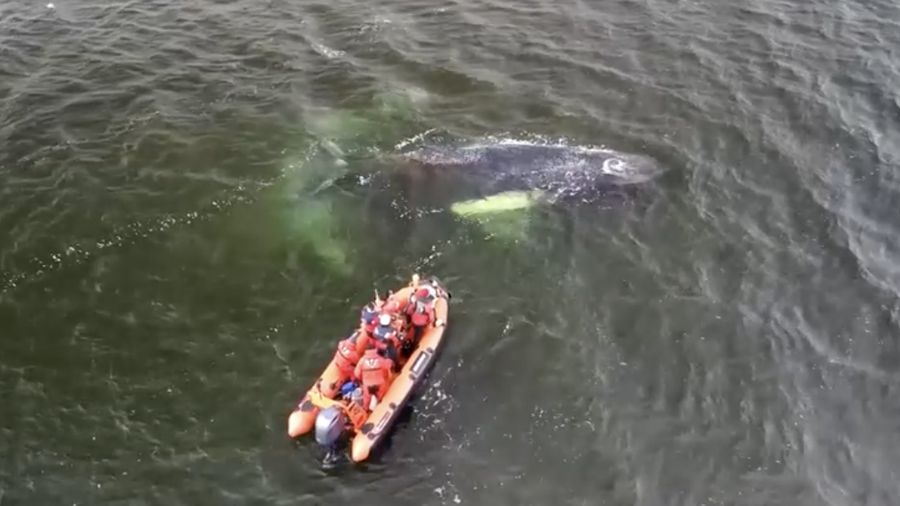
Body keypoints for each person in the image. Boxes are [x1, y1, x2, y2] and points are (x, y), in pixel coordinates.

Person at [353, 344, 394, 411]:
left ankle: (365, 409)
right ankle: (380, 403)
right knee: (381, 395)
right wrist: (391, 361)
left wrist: (362, 379)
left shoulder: (362, 361)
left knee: (366, 398)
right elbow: (388, 365)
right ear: (375, 350)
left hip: (367, 385)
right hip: (380, 385)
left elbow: (356, 374)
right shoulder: (380, 359)